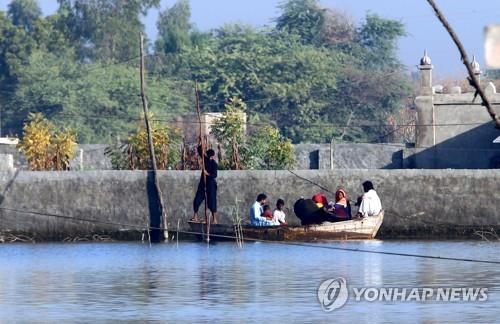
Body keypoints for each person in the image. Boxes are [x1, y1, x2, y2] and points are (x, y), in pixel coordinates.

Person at [191, 145, 218, 224]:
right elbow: (200, 151)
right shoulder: (205, 160)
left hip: (211, 185)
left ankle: (214, 220)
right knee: (197, 199)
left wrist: (207, 174)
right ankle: (195, 216)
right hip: (203, 184)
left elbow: (214, 175)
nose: (212, 157)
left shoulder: (214, 164)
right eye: (212, 156)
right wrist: (201, 144)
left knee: (212, 201)